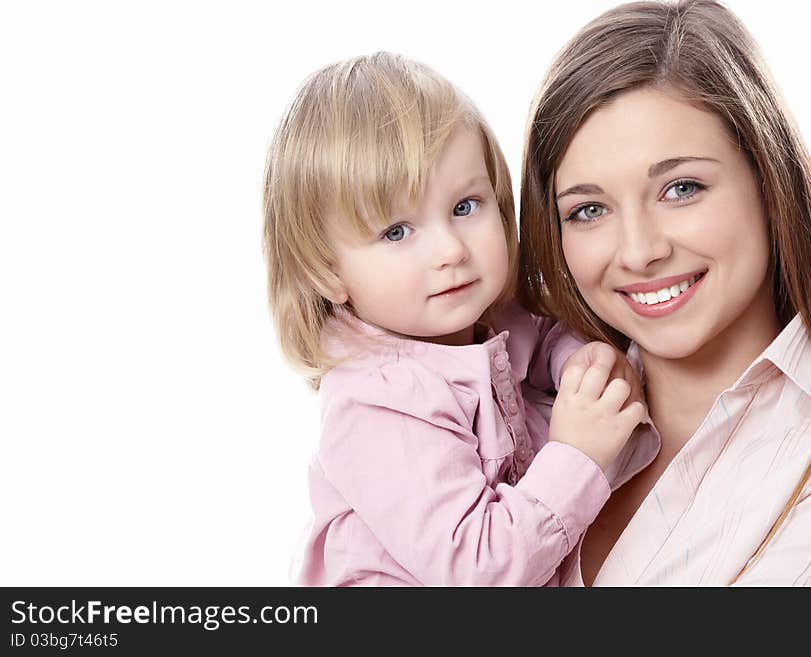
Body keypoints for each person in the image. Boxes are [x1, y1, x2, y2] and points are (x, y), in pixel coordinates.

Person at [518, 0, 811, 586]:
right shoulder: (522, 422)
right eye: (588, 209)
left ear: (769, 178)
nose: (638, 251)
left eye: (681, 188)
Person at [262, 53, 655, 586]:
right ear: (328, 273)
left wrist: (578, 363)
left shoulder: (489, 317)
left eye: (466, 206)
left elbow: (540, 342)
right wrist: (576, 455)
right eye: (397, 232)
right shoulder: (375, 405)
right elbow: (480, 570)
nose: (450, 250)